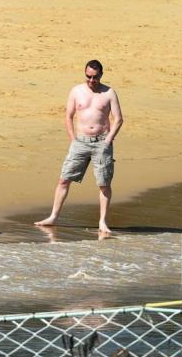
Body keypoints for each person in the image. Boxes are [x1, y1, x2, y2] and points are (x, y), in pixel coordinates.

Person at [35, 60, 123, 235]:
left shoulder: (109, 93)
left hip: (102, 142)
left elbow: (118, 119)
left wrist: (108, 140)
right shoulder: (76, 91)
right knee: (64, 179)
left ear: (101, 75)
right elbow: (68, 116)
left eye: (95, 77)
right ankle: (53, 216)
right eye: (88, 77)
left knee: (104, 184)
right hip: (80, 141)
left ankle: (102, 222)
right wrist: (73, 139)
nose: (91, 80)